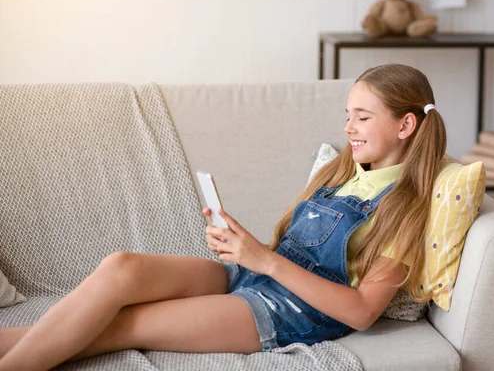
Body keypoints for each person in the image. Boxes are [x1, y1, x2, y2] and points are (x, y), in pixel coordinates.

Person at [0, 63, 446, 370]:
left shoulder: (405, 204)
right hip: (254, 276)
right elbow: (292, 251)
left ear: (405, 125)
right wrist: (246, 247)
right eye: (347, 115)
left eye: (362, 117)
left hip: (289, 311)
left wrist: (264, 260)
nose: (348, 128)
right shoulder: (344, 170)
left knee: (125, 323)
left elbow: (363, 312)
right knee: (123, 268)